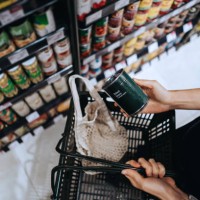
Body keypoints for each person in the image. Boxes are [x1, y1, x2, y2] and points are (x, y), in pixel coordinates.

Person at [116, 79, 200, 200]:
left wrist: (174, 196)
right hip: (182, 141)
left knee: (136, 177)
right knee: (141, 158)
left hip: (185, 187)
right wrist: (170, 100)